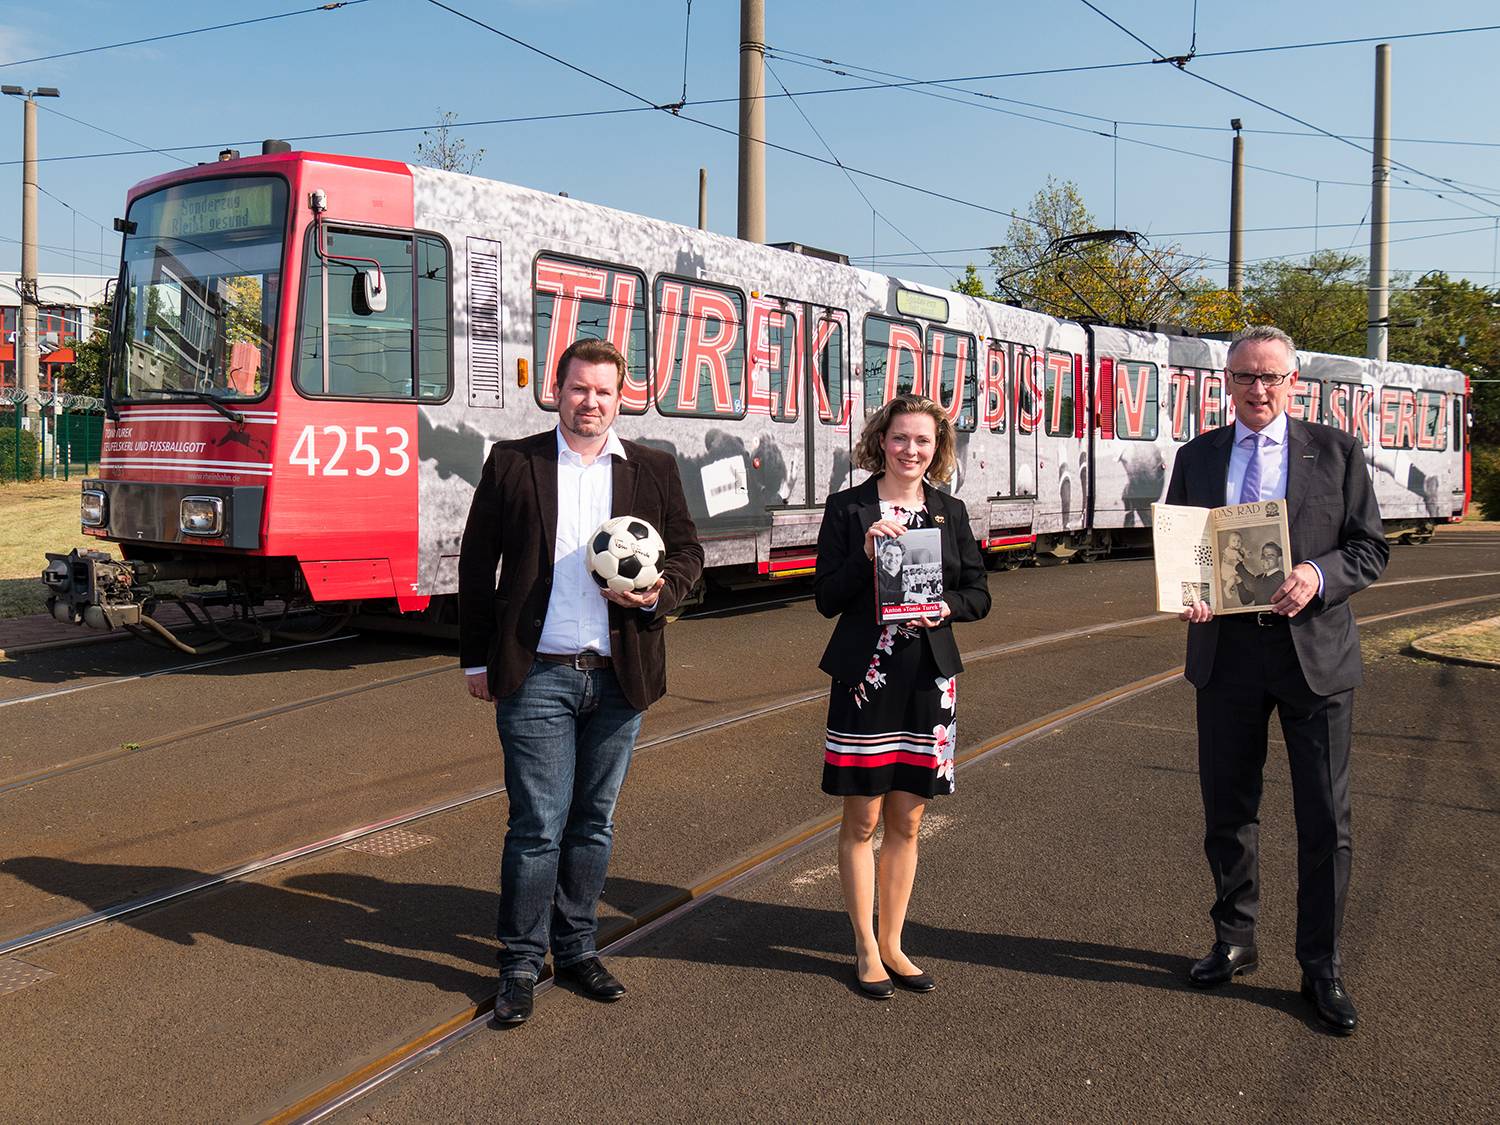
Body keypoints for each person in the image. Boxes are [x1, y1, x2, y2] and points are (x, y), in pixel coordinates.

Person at [458, 338, 704, 1026]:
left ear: (621, 396)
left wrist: (658, 594)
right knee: (538, 824)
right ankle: (518, 961)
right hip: (536, 670)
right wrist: (475, 659)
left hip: (620, 675)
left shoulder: (653, 468)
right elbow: (477, 567)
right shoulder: (514, 462)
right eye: (577, 388)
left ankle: (577, 947)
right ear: (555, 390)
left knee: (593, 822)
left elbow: (688, 553)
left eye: (603, 390)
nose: (590, 401)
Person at [1166, 325, 1388, 1034]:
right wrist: (1189, 592)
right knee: (1227, 808)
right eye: (1243, 377)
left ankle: (1320, 964)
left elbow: (1369, 549)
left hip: (1313, 656)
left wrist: (1317, 574)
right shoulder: (1196, 456)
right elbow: (1181, 552)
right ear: (1224, 383)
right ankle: (1234, 937)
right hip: (1225, 653)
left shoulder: (1337, 451)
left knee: (1327, 816)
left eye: (1270, 377)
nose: (1257, 389)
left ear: (1295, 383)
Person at [813, 395, 991, 999]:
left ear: (938, 448)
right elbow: (826, 599)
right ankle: (865, 945)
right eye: (900, 439)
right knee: (862, 817)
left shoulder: (950, 511)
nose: (911, 451)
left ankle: (894, 942)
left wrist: (947, 607)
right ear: (880, 441)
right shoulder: (848, 509)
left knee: (908, 821)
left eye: (924, 441)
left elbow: (978, 592)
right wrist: (865, 554)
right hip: (866, 681)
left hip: (929, 680)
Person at [1233, 541, 1287, 606]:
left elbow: (1254, 586)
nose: (1265, 559)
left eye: (1270, 556)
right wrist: (1239, 583)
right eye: (1263, 555)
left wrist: (1238, 566)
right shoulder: (1259, 577)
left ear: (1279, 559)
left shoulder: (1281, 577)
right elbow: (1246, 600)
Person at [875, 536, 907, 608]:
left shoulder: (906, 572)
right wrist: (907, 595)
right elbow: (882, 595)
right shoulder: (877, 573)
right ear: (882, 556)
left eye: (897, 555)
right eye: (889, 554)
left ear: (902, 557)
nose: (893, 559)